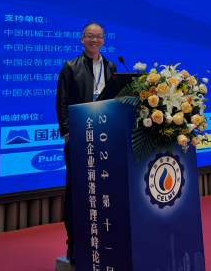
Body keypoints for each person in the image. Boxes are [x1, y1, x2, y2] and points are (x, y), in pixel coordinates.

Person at [56, 21, 117, 264]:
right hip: (79, 137)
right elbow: (61, 101)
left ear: (104, 40)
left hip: (105, 137)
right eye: (90, 36)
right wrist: (67, 132)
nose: (94, 40)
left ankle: (103, 239)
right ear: (82, 39)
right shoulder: (70, 66)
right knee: (76, 191)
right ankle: (74, 244)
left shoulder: (111, 66)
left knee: (104, 190)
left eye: (99, 36)